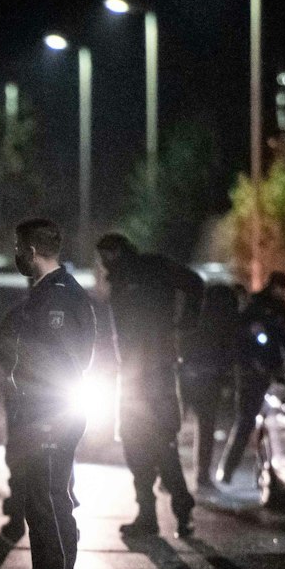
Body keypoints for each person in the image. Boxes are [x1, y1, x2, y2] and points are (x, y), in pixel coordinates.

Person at [1, 218, 97, 569]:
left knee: (49, 499)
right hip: (43, 411)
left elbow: (64, 359)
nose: (16, 254)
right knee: (46, 497)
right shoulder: (49, 293)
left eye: (19, 247)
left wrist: (45, 409)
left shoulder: (59, 297)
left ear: (32, 250)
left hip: (51, 414)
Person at [97, 231, 202, 538]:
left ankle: (181, 511)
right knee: (134, 444)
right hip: (131, 375)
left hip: (157, 373)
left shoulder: (153, 267)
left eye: (110, 253)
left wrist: (185, 326)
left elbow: (194, 284)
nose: (106, 260)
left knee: (162, 445)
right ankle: (148, 514)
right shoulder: (116, 281)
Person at [219, 270, 285, 484]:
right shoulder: (256, 306)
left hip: (272, 371)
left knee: (271, 425)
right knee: (245, 422)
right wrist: (251, 363)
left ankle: (264, 475)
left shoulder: (279, 308)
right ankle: (227, 470)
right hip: (251, 373)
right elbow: (241, 339)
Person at [181, 283, 242, 492]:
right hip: (210, 379)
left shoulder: (193, 315)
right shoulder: (227, 321)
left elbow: (182, 344)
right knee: (206, 429)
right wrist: (226, 380)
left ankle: (166, 474)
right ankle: (202, 475)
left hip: (187, 376)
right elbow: (229, 352)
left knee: (172, 429)